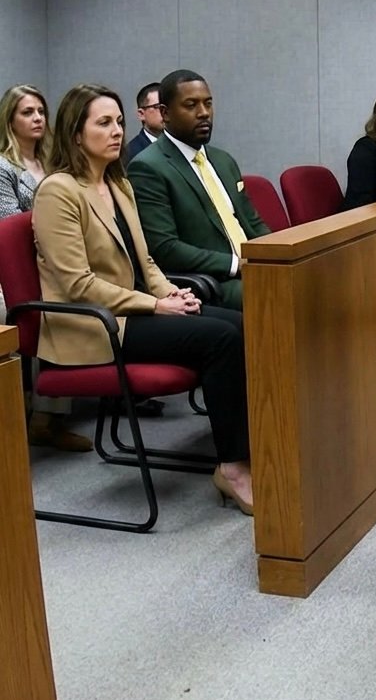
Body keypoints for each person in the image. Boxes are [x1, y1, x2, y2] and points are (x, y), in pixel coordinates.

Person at [32, 83, 253, 512]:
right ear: (76, 133)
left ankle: (248, 445)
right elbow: (77, 284)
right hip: (91, 323)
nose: (116, 131)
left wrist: (172, 292)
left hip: (132, 310)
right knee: (221, 339)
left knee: (238, 323)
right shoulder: (58, 191)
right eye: (103, 123)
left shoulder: (118, 184)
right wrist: (156, 305)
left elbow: (146, 261)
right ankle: (232, 467)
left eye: (118, 122)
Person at [128, 70, 269, 310]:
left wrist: (278, 254)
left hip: (253, 269)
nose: (204, 113)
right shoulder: (148, 167)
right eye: (191, 105)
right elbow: (165, 248)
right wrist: (236, 264)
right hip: (213, 282)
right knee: (284, 294)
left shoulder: (223, 160)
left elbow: (253, 223)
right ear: (165, 113)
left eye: (208, 103)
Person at [0, 83, 92, 452]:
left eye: (41, 111)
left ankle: (49, 416)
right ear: (9, 119)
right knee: (55, 311)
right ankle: (45, 417)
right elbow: (9, 227)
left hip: (51, 263)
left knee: (77, 296)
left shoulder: (53, 161)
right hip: (12, 273)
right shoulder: (3, 167)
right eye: (27, 112)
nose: (38, 118)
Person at [124, 82, 164, 165]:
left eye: (169, 106)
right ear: (141, 114)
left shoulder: (182, 143)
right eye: (158, 107)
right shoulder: (131, 155)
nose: (166, 111)